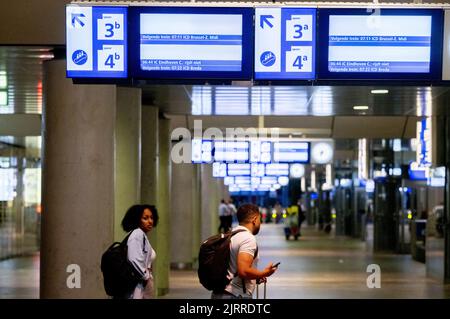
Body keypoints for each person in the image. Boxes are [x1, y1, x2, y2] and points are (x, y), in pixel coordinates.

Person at [211, 203, 278, 299]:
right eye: (259, 219)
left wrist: (256, 277)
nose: (260, 222)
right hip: (235, 295)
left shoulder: (231, 235)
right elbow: (244, 271)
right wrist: (265, 273)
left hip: (220, 293)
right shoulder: (247, 238)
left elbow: (232, 268)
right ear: (254, 220)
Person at [120, 204, 159, 299]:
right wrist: (146, 277)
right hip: (137, 286)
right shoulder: (137, 235)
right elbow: (134, 259)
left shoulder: (142, 235)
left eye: (151, 217)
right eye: (145, 218)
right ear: (136, 219)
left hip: (141, 284)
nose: (150, 221)